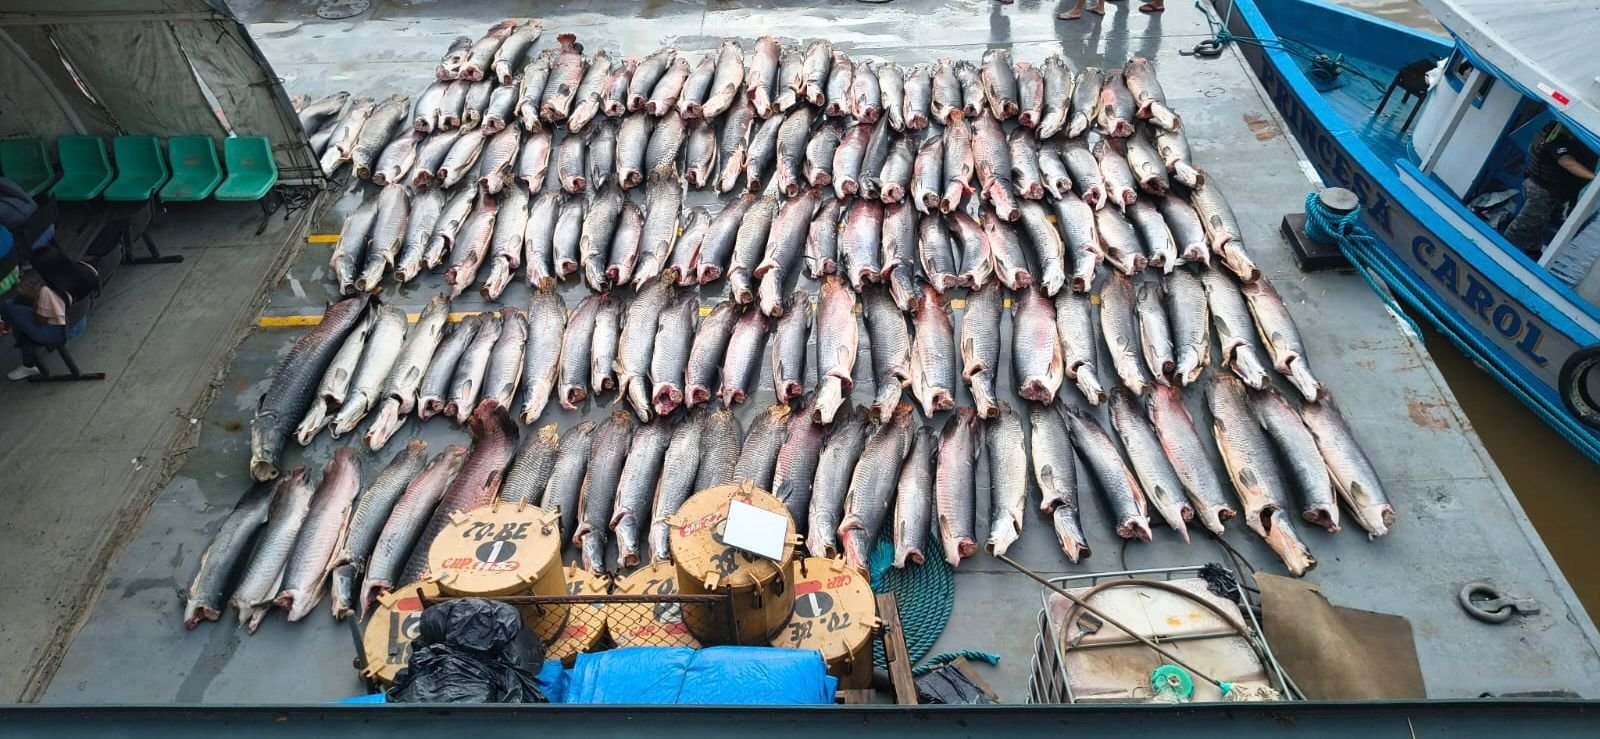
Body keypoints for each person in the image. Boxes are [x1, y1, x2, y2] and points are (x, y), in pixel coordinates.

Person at [1, 236, 98, 380]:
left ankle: (28, 364)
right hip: (77, 319)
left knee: (9, 308)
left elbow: (40, 320)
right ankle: (9, 328)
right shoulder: (81, 270)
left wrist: (34, 298)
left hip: (59, 332)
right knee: (18, 306)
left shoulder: (48, 293)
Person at [1504, 122, 1597, 258]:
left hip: (1534, 182)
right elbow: (1568, 162)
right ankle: (1501, 250)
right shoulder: (1558, 140)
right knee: (1524, 224)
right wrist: (1595, 178)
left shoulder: (1551, 129)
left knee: (1537, 223)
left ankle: (1533, 252)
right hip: (1542, 191)